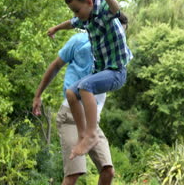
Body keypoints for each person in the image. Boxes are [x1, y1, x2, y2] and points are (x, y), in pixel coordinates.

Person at [32, 15, 130, 184]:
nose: (117, 37)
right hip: (70, 117)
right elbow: (55, 66)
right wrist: (38, 94)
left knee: (108, 171)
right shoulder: (80, 41)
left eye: (121, 34)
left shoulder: (117, 55)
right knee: (73, 174)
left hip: (92, 123)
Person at [47, 0, 131, 160]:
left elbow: (116, 10)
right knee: (71, 93)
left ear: (89, 2)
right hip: (102, 72)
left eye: (77, 9)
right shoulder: (86, 18)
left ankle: (91, 134)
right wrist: (56, 28)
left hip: (116, 71)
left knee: (85, 86)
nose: (76, 14)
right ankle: (83, 135)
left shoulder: (103, 12)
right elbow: (71, 22)